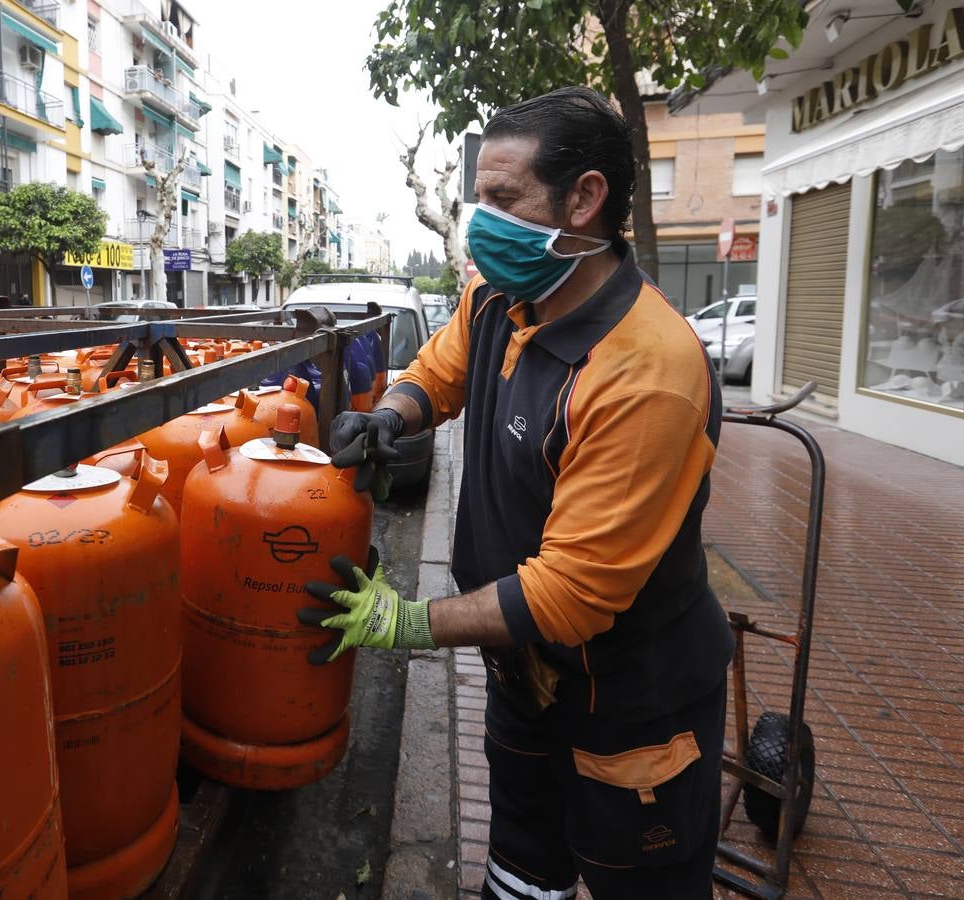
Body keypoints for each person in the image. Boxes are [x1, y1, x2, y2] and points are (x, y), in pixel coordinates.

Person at [299, 87, 733, 900]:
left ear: (586, 197)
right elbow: (439, 369)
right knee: (522, 874)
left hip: (628, 705)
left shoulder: (647, 370)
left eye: (503, 199)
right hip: (523, 677)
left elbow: (573, 593)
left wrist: (409, 623)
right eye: (479, 198)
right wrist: (393, 414)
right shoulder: (501, 296)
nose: (481, 221)